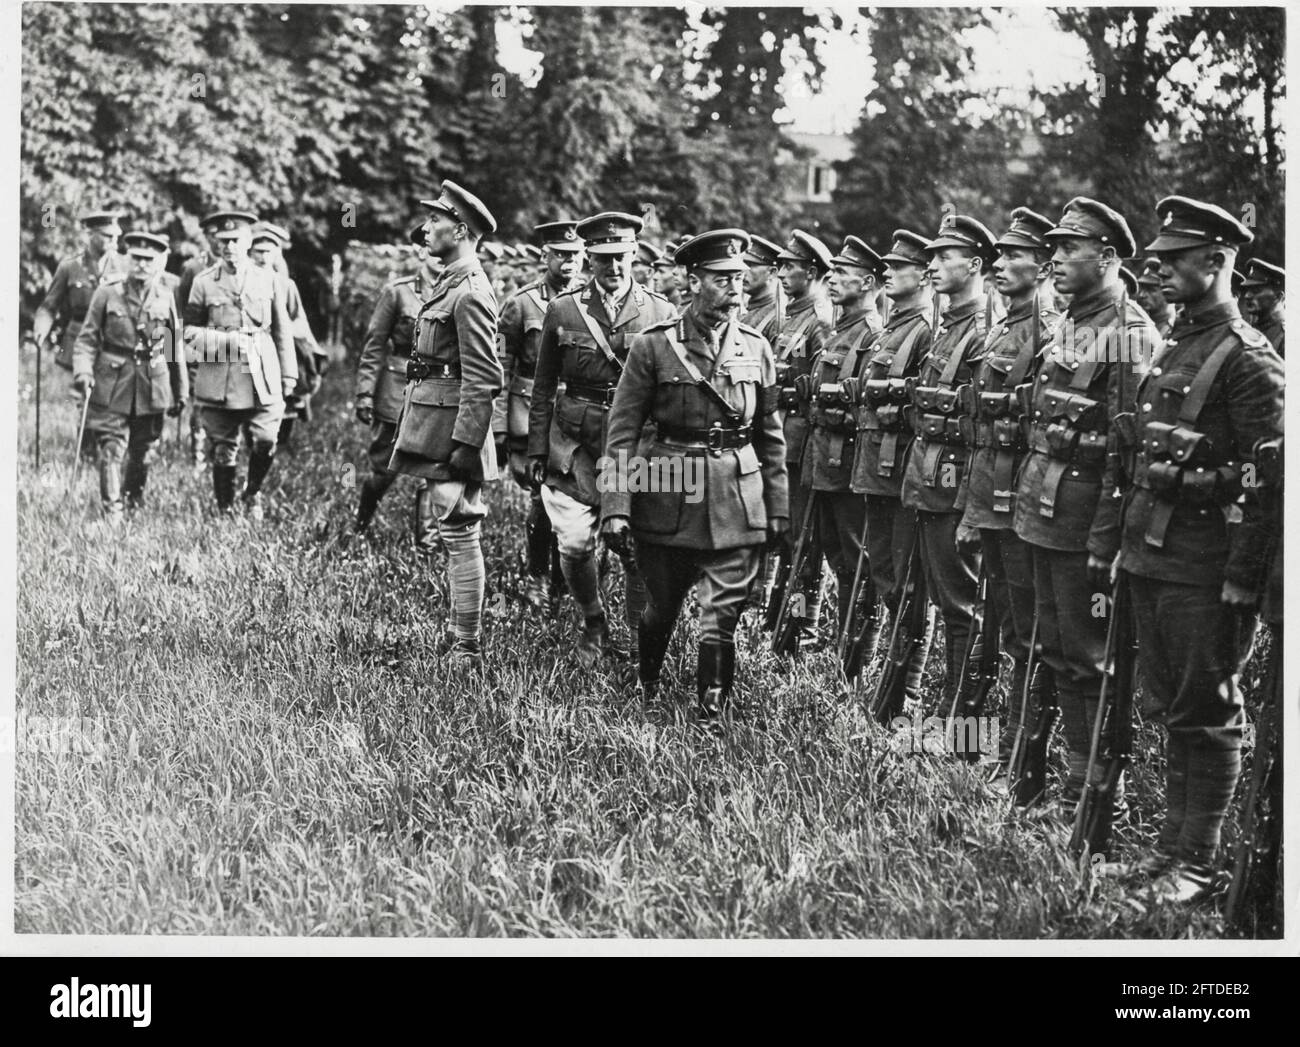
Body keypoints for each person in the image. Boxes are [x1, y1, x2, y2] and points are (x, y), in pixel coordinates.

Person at [1107, 197, 1284, 901]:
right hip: (1155, 554)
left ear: (1217, 262)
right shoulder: (1180, 343)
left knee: (1207, 708)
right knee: (1171, 702)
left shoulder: (1249, 360)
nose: (1160, 267)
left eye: (1177, 258)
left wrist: (1243, 579)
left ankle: (1198, 862)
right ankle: (1169, 850)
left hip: (1207, 566)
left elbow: (1265, 478)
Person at [601, 230, 788, 716]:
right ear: (692, 282)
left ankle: (712, 707)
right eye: (722, 279)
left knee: (721, 612)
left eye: (740, 280)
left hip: (736, 495)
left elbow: (770, 436)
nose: (734, 290)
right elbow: (622, 432)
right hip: (667, 488)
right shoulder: (653, 347)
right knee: (661, 608)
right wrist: (616, 508)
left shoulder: (756, 349)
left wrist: (779, 510)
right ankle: (647, 683)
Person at [1013, 196, 1157, 819]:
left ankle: (1097, 796)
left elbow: (1127, 456)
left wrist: (1105, 541)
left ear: (1107, 254)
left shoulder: (1128, 335)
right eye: (1056, 248)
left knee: (1090, 658)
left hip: (1084, 526)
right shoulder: (1071, 322)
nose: (1057, 258)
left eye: (1070, 248)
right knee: (1055, 649)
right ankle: (1065, 781)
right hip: (1043, 514)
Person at [528, 211, 676, 666]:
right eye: (603, 258)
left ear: (635, 255)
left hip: (636, 441)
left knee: (635, 545)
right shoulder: (563, 309)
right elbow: (542, 386)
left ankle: (636, 638)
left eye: (621, 257)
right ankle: (592, 617)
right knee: (573, 542)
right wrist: (537, 447)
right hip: (576, 441)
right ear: (589, 258)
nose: (613, 268)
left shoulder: (661, 312)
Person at [955, 208, 1059, 777]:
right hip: (991, 504)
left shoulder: (1049, 333)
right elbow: (982, 433)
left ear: (1043, 266)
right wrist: (974, 509)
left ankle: (1023, 765)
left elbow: (1031, 436)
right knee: (1003, 628)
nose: (1000, 264)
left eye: (1015, 256)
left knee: (1028, 638)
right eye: (999, 255)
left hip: (1022, 506)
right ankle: (991, 749)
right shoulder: (1002, 328)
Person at [388, 181, 504, 665]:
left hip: (455, 432)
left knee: (460, 531)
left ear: (460, 229)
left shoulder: (471, 291)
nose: (426, 228)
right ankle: (462, 637)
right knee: (454, 528)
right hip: (438, 424)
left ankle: (467, 645)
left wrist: (465, 445)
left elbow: (483, 378)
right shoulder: (452, 282)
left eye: (435, 220)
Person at [903, 213, 996, 713]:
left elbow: (980, 425)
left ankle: (961, 720)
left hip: (955, 485)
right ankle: (937, 705)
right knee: (942, 599)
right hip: (929, 481)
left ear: (975, 265)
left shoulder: (981, 333)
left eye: (944, 257)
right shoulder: (947, 328)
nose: (932, 264)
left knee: (963, 607)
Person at [849, 229, 935, 702]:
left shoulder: (923, 329)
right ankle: (889, 676)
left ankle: (910, 690)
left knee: (905, 586)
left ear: (922, 276)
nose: (887, 272)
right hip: (876, 472)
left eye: (898, 267)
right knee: (884, 572)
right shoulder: (895, 326)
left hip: (902, 473)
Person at [182, 211, 297, 519]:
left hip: (262, 373)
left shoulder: (270, 279)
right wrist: (224, 342)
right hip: (220, 374)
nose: (230, 246)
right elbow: (187, 331)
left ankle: (253, 491)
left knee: (265, 439)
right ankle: (224, 509)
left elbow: (282, 329)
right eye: (224, 240)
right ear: (217, 243)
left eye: (236, 240)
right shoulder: (203, 282)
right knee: (223, 447)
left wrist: (289, 375)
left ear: (248, 242)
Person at [805, 236, 885, 664]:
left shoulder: (872, 334)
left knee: (858, 561)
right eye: (831, 272)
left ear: (868, 282)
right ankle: (841, 643)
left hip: (851, 463)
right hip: (827, 460)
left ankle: (859, 654)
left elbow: (864, 405)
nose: (832, 279)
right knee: (836, 555)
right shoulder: (842, 330)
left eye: (842, 274)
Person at [71, 231, 187, 520]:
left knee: (143, 452)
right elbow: (86, 340)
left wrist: (180, 390)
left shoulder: (166, 296)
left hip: (152, 382)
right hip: (112, 381)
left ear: (159, 262)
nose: (142, 265)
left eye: (149, 260)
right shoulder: (107, 292)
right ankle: (112, 512)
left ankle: (132, 499)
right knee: (110, 447)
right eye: (137, 258)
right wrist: (83, 372)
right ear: (128, 258)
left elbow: (172, 348)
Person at [499, 220, 584, 607]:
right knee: (541, 498)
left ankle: (566, 579)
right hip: (532, 416)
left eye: (576, 256)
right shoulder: (520, 305)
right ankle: (537, 576)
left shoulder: (588, 304)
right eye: (561, 255)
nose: (569, 263)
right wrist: (500, 428)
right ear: (544, 257)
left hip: (577, 418)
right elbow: (501, 370)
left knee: (570, 500)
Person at [353, 223, 442, 551]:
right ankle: (361, 523)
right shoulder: (398, 292)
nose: (438, 257)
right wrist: (365, 392)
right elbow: (374, 344)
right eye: (430, 248)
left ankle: (427, 547)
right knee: (384, 469)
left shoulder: (460, 293)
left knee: (432, 471)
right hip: (395, 389)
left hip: (437, 391)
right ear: (420, 252)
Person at [769, 229, 834, 651]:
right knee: (788, 540)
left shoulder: (820, 321)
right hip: (783, 443)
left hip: (803, 446)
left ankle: (797, 629)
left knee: (804, 545)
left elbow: (821, 394)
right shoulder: (791, 315)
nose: (781, 273)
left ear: (810, 272)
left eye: (790, 267)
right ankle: (777, 620)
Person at [32, 209, 129, 461]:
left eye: (116, 236)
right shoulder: (70, 266)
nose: (113, 241)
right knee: (82, 394)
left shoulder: (124, 265)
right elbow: (48, 306)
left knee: (107, 397)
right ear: (91, 234)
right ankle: (86, 453)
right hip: (78, 342)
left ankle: (108, 449)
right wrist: (41, 327)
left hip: (111, 342)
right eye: (107, 236)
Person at [248, 222, 325, 453]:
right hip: (251, 350)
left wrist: (289, 334)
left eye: (268, 252)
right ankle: (250, 447)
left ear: (277, 254)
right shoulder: (244, 281)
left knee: (286, 397)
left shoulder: (286, 285)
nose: (263, 257)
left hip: (280, 350)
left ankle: (279, 447)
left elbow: (299, 319)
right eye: (258, 252)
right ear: (249, 253)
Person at [174, 212, 227, 468]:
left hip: (229, 347)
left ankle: (223, 453)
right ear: (206, 238)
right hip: (199, 346)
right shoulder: (193, 268)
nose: (219, 242)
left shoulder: (239, 268)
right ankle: (197, 457)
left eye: (224, 237)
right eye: (213, 237)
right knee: (199, 405)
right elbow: (181, 311)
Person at [740, 234, 786, 346]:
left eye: (751, 266)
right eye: (743, 264)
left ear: (772, 272)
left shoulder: (777, 319)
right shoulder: (744, 310)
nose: (743, 271)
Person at [1239, 259, 1284, 357]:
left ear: (1278, 296)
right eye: (1247, 290)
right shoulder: (1253, 328)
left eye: (1255, 291)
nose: (1247, 296)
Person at [1135, 259, 1177, 338]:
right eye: (1142, 289)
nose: (1141, 295)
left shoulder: (1175, 328)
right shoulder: (1138, 324)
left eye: (1151, 290)